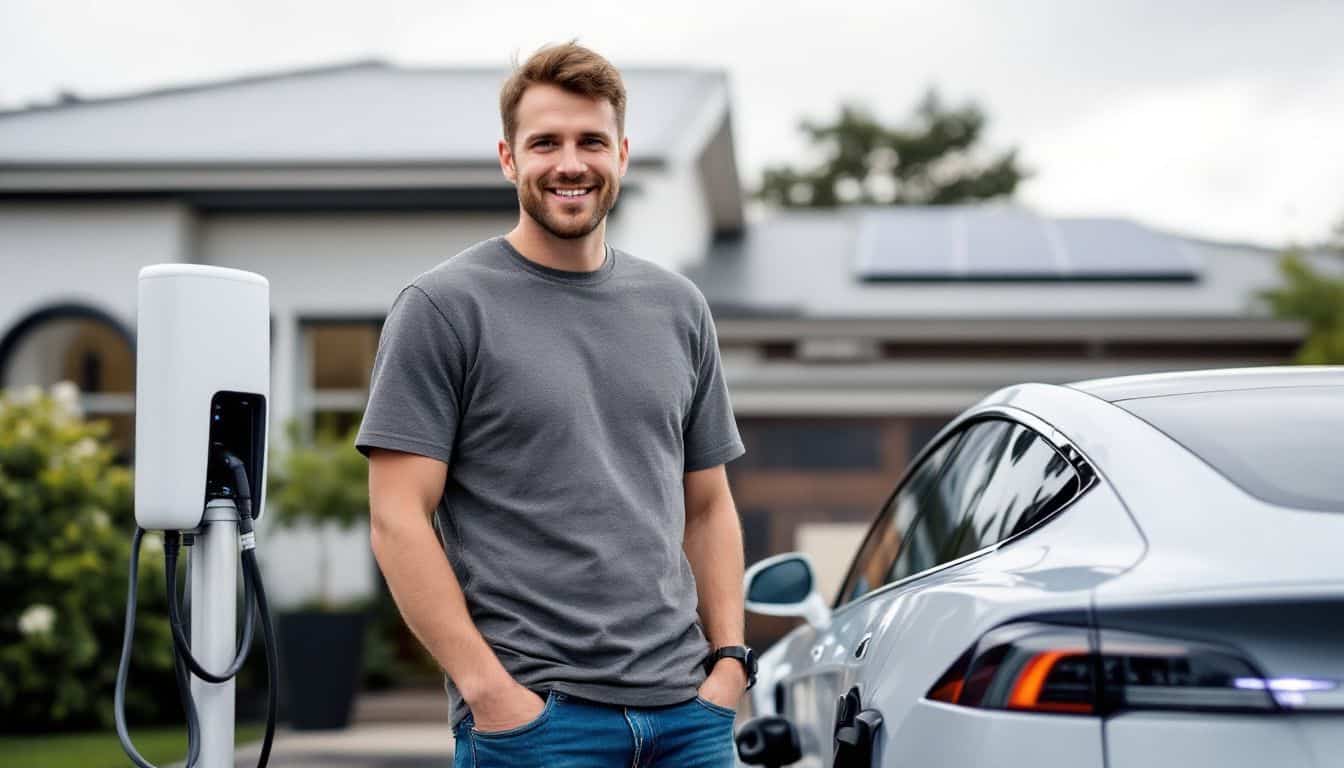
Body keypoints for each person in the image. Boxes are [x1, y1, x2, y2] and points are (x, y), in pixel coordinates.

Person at [355, 42, 753, 768]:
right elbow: (396, 517)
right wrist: (489, 692)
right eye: (546, 143)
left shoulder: (679, 308)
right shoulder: (444, 308)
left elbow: (708, 506)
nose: (570, 163)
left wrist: (729, 665)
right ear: (509, 159)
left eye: (590, 141)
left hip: (689, 719)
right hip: (540, 722)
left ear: (622, 155)